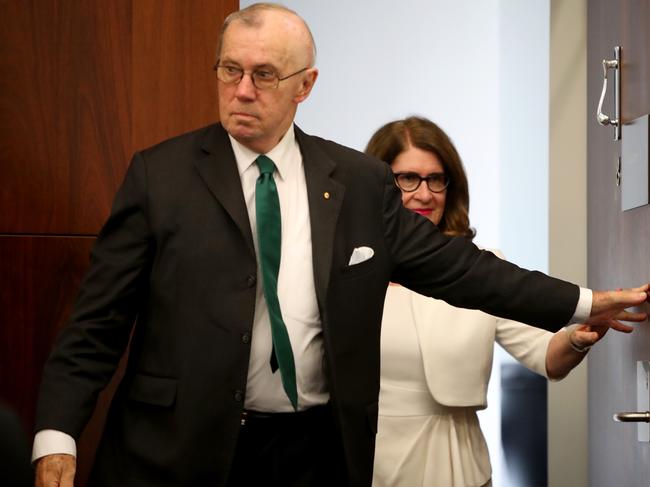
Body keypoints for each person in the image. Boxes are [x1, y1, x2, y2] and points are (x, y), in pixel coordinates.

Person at [32, 3, 648, 487]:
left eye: (264, 74)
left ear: (306, 85)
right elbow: (96, 323)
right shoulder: (159, 176)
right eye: (230, 70)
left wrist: (583, 301)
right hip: (178, 451)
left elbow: (461, 269)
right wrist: (57, 434)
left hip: (315, 454)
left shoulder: (356, 182)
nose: (242, 90)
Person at [366, 116, 624, 487]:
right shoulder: (350, 269)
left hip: (464, 468)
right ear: (377, 185)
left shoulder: (483, 269)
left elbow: (546, 356)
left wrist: (576, 338)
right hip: (374, 467)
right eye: (407, 178)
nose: (424, 193)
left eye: (436, 179)